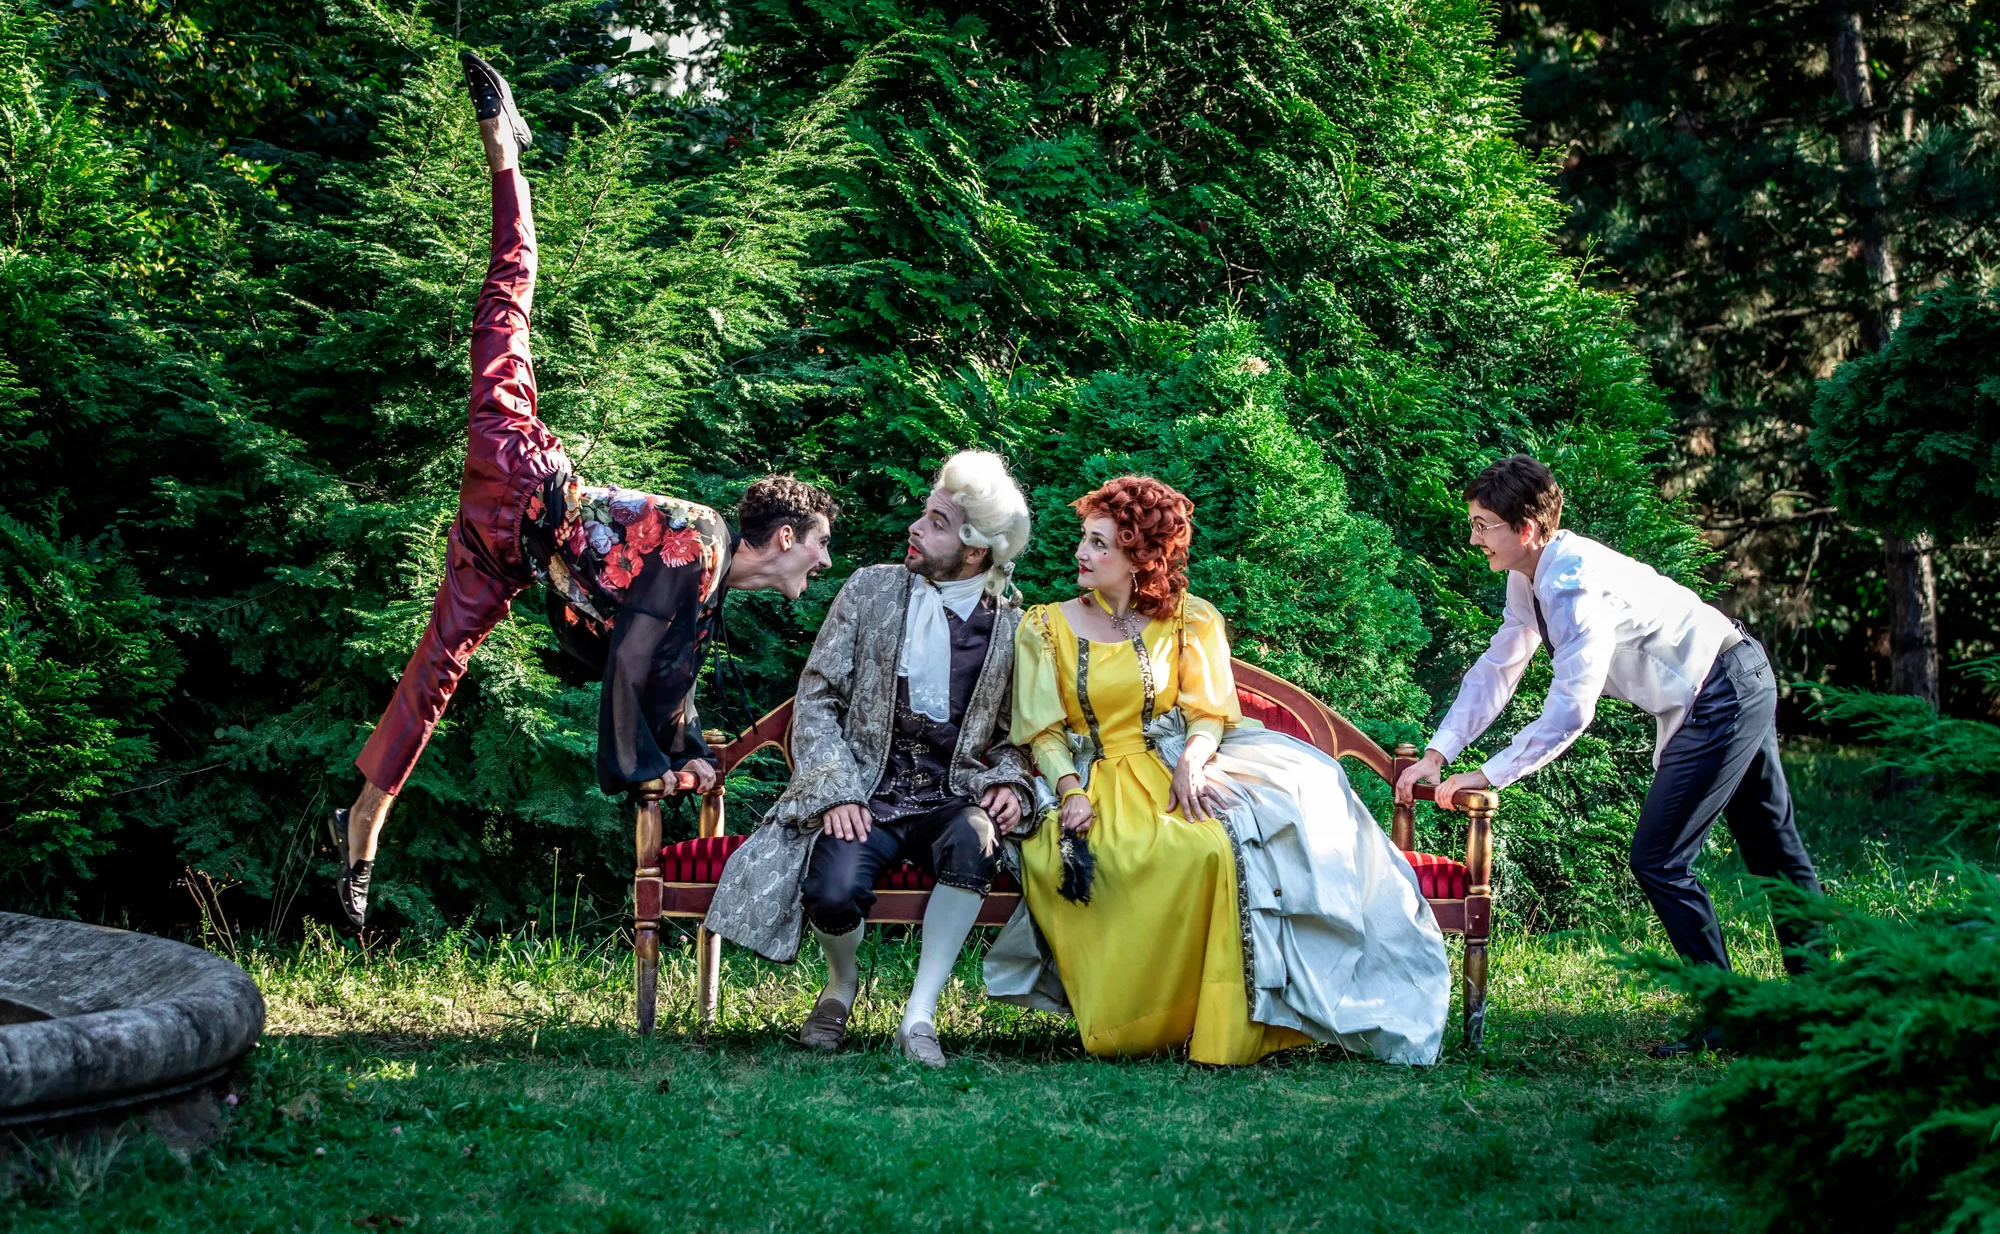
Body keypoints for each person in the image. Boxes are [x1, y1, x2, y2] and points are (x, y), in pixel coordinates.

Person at [327, 53, 834, 932]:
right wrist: (643, 764)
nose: (823, 562)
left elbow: (665, 674)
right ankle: (505, 152)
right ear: (784, 535)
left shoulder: (706, 597)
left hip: (505, 553)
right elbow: (633, 659)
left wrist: (690, 753)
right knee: (508, 300)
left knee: (435, 674)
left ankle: (363, 819)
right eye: (820, 544)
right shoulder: (703, 537)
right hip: (522, 469)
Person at [986, 476, 1451, 1066]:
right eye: (1085, 538)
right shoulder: (1045, 627)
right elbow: (1044, 731)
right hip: (1089, 773)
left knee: (1217, 847)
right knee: (1129, 855)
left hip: (1174, 763)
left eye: (1101, 544)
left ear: (1140, 557)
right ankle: (1131, 1023)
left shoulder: (1190, 619)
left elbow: (1208, 711)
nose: (1082, 553)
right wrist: (1070, 790)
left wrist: (1192, 761)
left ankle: (1223, 1023)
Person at [1394, 454, 1823, 1056]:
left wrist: (1489, 773)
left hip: (1724, 688)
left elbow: (1572, 709)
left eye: (1483, 524)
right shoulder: (1529, 577)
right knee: (1770, 849)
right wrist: (1438, 753)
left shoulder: (1569, 582)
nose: (1474, 537)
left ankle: (1751, 1016)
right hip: (1731, 678)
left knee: (1663, 858)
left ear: (1527, 528)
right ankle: (1811, 1012)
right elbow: (1499, 667)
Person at [704, 451, 1040, 1067]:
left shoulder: (1013, 627)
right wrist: (835, 789)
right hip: (866, 791)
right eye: (924, 513)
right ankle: (841, 986)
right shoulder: (870, 589)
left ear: (972, 550)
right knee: (832, 891)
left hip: (949, 797)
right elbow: (818, 695)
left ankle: (920, 1016)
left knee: (976, 840)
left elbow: (1025, 734)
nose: (915, 526)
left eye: (935, 521)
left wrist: (1014, 785)